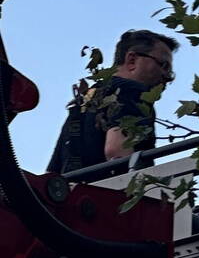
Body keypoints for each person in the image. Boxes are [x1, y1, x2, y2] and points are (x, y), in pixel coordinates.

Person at [47, 29, 177, 176]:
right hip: (112, 194)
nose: (168, 77)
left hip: (74, 195)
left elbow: (52, 172)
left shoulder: (82, 102)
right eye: (164, 65)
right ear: (132, 60)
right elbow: (117, 152)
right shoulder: (132, 90)